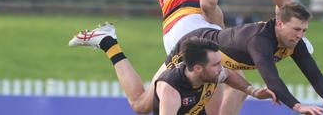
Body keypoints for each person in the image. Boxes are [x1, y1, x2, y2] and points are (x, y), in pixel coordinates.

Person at [167, 2, 323, 115]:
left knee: (237, 92)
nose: (300, 35)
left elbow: (312, 71)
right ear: (279, 24)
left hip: (219, 64)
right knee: (145, 104)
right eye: (296, 29)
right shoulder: (259, 41)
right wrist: (298, 107)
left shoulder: (294, 41)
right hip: (191, 47)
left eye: (304, 30)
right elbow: (272, 79)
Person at [68, 23, 276, 115]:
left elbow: (228, 74)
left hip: (197, 37)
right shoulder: (171, 91)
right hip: (185, 41)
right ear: (197, 68)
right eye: (216, 65)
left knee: (140, 106)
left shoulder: (212, 71)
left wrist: (253, 92)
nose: (221, 69)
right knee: (140, 106)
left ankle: (108, 42)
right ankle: (107, 42)